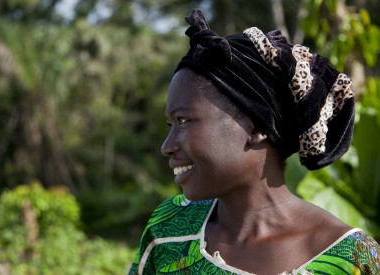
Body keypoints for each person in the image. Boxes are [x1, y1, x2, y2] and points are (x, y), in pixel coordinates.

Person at [129, 9, 380, 275]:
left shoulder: (351, 259)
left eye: (183, 120)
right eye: (170, 125)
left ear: (257, 126)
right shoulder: (170, 228)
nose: (166, 146)